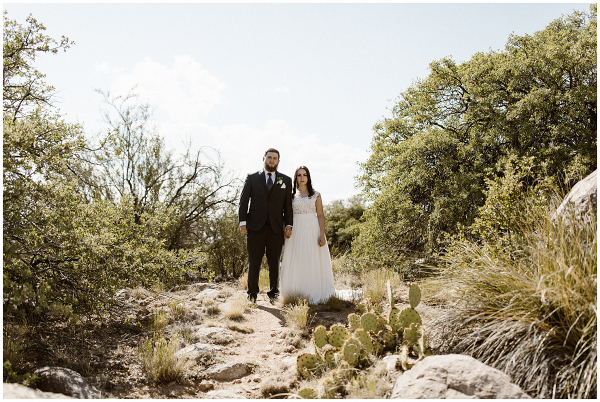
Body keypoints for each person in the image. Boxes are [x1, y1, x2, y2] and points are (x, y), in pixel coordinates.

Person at [239, 148, 293, 304]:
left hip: (276, 228)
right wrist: (243, 222)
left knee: (274, 262)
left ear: (278, 161)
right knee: (254, 261)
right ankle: (252, 294)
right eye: (269, 157)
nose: (271, 160)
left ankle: (274, 293)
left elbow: (287, 206)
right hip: (255, 227)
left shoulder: (286, 180)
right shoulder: (252, 178)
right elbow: (243, 202)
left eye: (275, 158)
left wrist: (288, 225)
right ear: (263, 159)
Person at [280, 166, 335, 303]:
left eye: (305, 175)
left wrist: (322, 235)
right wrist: (285, 229)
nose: (302, 177)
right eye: (299, 175)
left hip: (312, 229)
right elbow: (286, 214)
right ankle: (294, 292)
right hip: (296, 230)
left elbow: (321, 215)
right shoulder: (290, 195)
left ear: (308, 177)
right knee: (296, 259)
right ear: (296, 178)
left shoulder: (316, 195)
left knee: (312, 258)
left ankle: (314, 291)